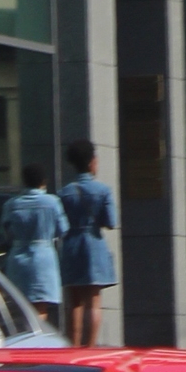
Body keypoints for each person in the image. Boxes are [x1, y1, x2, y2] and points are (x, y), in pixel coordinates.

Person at [57, 137, 118, 348]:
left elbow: (60, 224)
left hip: (72, 245)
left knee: (74, 300)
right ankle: (90, 347)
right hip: (94, 244)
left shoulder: (64, 192)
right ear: (92, 162)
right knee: (94, 300)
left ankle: (73, 346)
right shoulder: (103, 191)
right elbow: (111, 222)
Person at [0, 164, 65, 324]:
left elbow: (5, 232)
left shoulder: (12, 204)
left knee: (19, 305)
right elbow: (62, 229)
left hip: (18, 256)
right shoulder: (52, 202)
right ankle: (37, 341)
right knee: (41, 306)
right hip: (43, 256)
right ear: (43, 182)